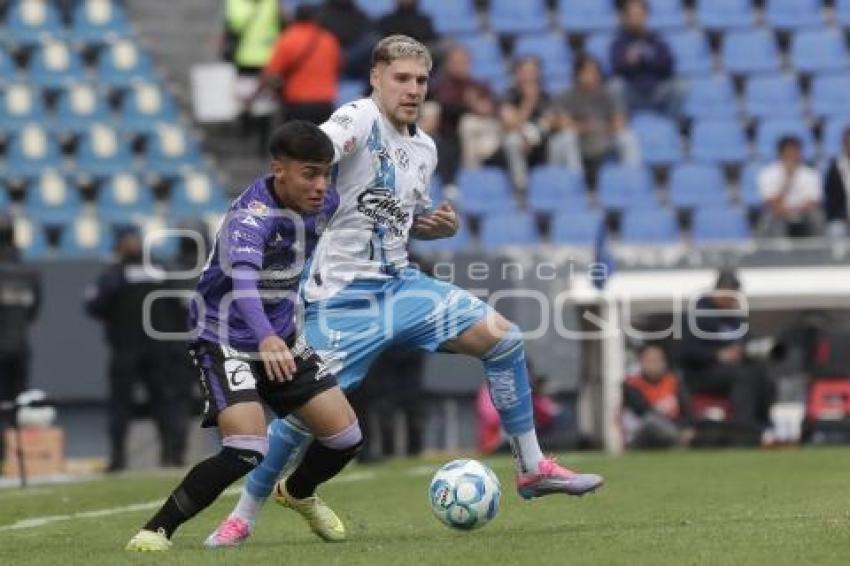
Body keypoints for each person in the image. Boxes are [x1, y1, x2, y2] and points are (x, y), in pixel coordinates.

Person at [207, 35, 604, 548]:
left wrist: (427, 225)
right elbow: (319, 149)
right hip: (341, 299)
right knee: (304, 417)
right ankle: (243, 515)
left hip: (402, 287)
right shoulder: (357, 120)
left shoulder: (424, 148)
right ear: (376, 77)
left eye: (420, 80)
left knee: (504, 340)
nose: (413, 89)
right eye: (402, 78)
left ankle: (531, 468)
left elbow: (390, 214)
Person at [126, 121, 364, 552]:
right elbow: (243, 283)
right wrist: (267, 338)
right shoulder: (248, 217)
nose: (321, 185)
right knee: (246, 447)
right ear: (279, 170)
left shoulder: (326, 201)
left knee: (345, 437)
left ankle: (297, 492)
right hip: (225, 335)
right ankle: (155, 530)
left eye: (326, 173)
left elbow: (360, 220)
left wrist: (421, 221)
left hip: (281, 334)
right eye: (310, 173)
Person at [85, 226, 184, 471]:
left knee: (126, 404)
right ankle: (167, 456)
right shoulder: (158, 269)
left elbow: (94, 305)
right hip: (153, 348)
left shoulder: (114, 272)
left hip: (129, 348)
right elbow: (178, 306)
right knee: (161, 401)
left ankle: (135, 458)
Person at [678, 269, 776, 438]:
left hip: (733, 370)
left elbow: (746, 341)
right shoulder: (695, 316)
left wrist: (747, 350)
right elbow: (684, 351)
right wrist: (717, 355)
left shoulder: (734, 318)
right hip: (701, 373)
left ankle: (762, 425)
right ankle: (742, 428)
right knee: (744, 376)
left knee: (762, 373)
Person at [548, 54, 640, 188]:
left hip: (603, 139)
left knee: (627, 137)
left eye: (595, 72)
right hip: (579, 142)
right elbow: (558, 122)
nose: (592, 76)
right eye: (587, 72)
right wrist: (584, 127)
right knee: (566, 137)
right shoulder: (566, 95)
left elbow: (620, 122)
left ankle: (632, 181)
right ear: (577, 74)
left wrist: (598, 128)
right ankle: (575, 184)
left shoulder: (608, 94)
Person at [247, 5, 341, 126]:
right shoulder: (329, 40)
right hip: (325, 104)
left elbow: (270, 74)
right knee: (322, 142)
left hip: (297, 104)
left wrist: (255, 96)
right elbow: (338, 67)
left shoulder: (288, 38)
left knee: (296, 143)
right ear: (316, 18)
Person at [0, 214, 41, 462]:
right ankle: (19, 459)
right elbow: (34, 310)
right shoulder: (29, 272)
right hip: (20, 345)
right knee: (17, 404)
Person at [432, 43, 495, 184]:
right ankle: (469, 177)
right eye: (456, 62)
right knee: (466, 124)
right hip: (451, 135)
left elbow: (490, 109)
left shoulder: (479, 85)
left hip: (484, 131)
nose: (461, 66)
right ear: (448, 64)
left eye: (464, 62)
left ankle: (473, 177)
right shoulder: (442, 86)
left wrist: (478, 106)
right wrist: (471, 104)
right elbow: (447, 107)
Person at [610, 0, 680, 117]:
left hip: (656, 89)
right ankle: (622, 125)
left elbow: (668, 66)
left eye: (639, 15)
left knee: (679, 86)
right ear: (625, 18)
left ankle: (670, 125)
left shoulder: (656, 40)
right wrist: (629, 61)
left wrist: (649, 59)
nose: (636, 19)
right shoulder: (619, 42)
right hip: (632, 91)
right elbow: (616, 67)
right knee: (614, 87)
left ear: (646, 16)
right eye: (632, 16)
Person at [622, 344, 694, 449]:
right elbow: (642, 411)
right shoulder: (632, 384)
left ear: (664, 362)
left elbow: (686, 409)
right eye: (649, 360)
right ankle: (678, 440)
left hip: (672, 427)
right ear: (641, 362)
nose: (653, 364)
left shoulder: (674, 382)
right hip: (641, 432)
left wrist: (687, 427)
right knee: (651, 421)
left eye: (656, 360)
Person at [757, 136, 824, 238]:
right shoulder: (768, 173)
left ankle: (820, 250)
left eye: (795, 152)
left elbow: (813, 202)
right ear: (781, 153)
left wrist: (795, 211)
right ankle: (777, 251)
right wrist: (787, 180)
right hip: (780, 213)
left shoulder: (810, 173)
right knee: (770, 217)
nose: (792, 156)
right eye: (788, 152)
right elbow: (771, 203)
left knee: (817, 216)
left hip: (803, 213)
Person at [823, 126, 850, 238]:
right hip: (841, 219)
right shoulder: (834, 168)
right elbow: (832, 199)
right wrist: (844, 217)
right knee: (836, 230)